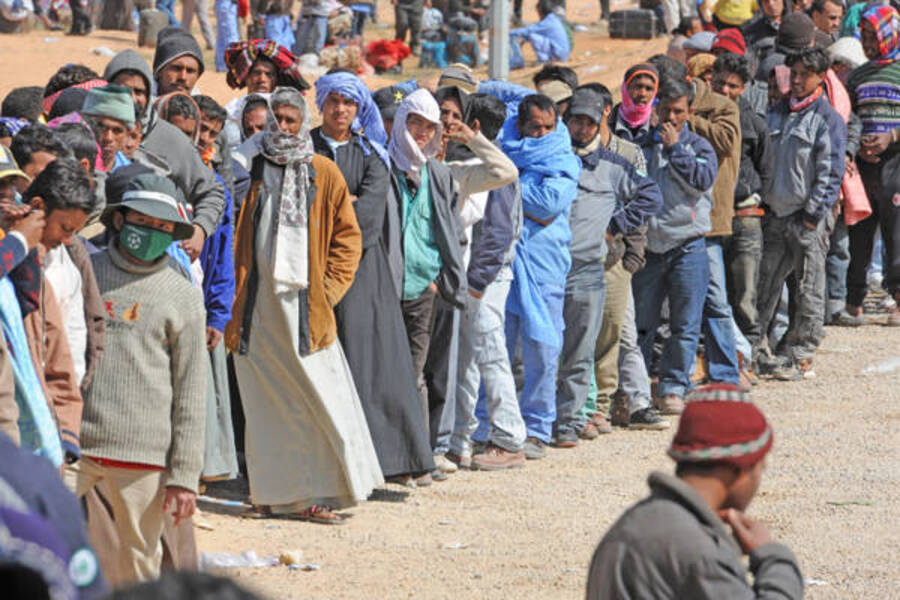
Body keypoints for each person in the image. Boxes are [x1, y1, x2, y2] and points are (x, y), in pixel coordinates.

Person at [228, 87, 383, 523]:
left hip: (305, 312)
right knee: (266, 407)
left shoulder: (323, 171)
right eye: (275, 118)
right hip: (256, 310)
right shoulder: (249, 167)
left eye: (291, 119)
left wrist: (327, 291)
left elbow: (347, 239)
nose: (282, 126)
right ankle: (273, 495)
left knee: (319, 399)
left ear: (303, 122)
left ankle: (322, 492)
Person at [66, 173, 207, 582]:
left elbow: (192, 393)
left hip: (144, 461)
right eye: (142, 222)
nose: (150, 233)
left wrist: (184, 477)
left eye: (163, 228)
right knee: (69, 558)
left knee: (140, 567)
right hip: (79, 449)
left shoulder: (182, 296)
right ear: (118, 219)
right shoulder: (84, 273)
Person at [312, 71, 435, 485]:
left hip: (364, 273)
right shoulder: (304, 148)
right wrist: (342, 201)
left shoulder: (371, 155)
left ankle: (389, 463)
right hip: (309, 266)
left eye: (349, 101)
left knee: (373, 365)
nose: (340, 109)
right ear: (322, 103)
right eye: (333, 100)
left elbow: (366, 219)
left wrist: (332, 208)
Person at [585, 384, 804, 600]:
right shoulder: (697, 553)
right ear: (741, 470)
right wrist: (772, 556)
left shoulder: (637, 520)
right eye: (760, 469)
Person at [554, 87, 664, 446]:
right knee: (545, 344)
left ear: (600, 119)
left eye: (589, 122)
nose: (582, 128)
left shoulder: (615, 165)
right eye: (575, 121)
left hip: (590, 268)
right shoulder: (552, 157)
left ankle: (575, 418)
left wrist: (616, 227)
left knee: (585, 346)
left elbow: (650, 196)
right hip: (549, 267)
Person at [447, 94, 528, 471]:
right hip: (476, 277)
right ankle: (461, 439)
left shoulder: (488, 168)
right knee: (467, 363)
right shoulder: (468, 163)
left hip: (485, 278)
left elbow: (496, 234)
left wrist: (475, 284)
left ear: (472, 127)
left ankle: (509, 439)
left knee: (490, 356)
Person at [754, 47, 845, 379]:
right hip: (775, 215)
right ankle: (756, 349)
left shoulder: (827, 119)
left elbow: (830, 172)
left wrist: (812, 215)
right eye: (794, 73)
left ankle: (802, 353)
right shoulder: (776, 112)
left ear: (820, 77)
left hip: (806, 219)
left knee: (808, 288)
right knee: (764, 285)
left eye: (804, 74)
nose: (796, 79)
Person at [501, 94, 580, 460]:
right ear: (520, 125)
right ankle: (490, 426)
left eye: (549, 126)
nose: (543, 133)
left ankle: (537, 428)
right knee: (496, 351)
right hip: (503, 263)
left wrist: (508, 185)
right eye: (535, 127)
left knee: (543, 353)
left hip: (545, 268)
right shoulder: (505, 149)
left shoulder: (564, 158)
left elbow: (549, 204)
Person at [633, 79, 718, 415]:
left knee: (685, 322)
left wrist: (675, 149)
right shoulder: (642, 147)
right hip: (650, 246)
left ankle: (673, 386)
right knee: (641, 322)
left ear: (689, 112)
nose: (670, 117)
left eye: (678, 111)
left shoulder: (699, 146)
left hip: (688, 244)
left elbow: (701, 181)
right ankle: (637, 388)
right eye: (665, 109)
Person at [711, 53, 774, 348]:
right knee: (713, 290)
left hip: (745, 215)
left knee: (746, 291)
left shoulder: (754, 124)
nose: (725, 90)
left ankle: (753, 349)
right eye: (720, 83)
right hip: (710, 218)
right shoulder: (699, 118)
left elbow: (767, 170)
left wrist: (754, 196)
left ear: (743, 89)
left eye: (732, 86)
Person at [845, 6, 900, 325]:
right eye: (863, 36)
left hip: (896, 163)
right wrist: (858, 148)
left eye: (871, 36)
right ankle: (854, 301)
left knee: (896, 235)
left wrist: (890, 136)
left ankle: (897, 298)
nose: (866, 43)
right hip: (865, 166)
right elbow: (850, 117)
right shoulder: (858, 75)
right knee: (860, 233)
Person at [81, 85, 138, 172]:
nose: (108, 138)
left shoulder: (129, 175)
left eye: (117, 131)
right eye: (100, 127)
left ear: (127, 134)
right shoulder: (70, 166)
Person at [509, 0, 571, 70]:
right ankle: (547, 59)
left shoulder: (548, 22)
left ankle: (544, 60)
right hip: (562, 53)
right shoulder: (552, 19)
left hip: (559, 54)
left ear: (541, 11)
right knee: (531, 35)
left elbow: (528, 31)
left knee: (532, 36)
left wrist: (508, 33)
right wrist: (524, 38)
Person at [609, 64, 659, 147]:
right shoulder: (608, 123)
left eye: (648, 89)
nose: (643, 94)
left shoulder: (658, 125)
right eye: (637, 87)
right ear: (625, 88)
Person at [154, 26, 206, 97]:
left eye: (190, 71)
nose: (183, 77)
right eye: (176, 68)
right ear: (159, 72)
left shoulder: (200, 106)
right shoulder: (139, 102)